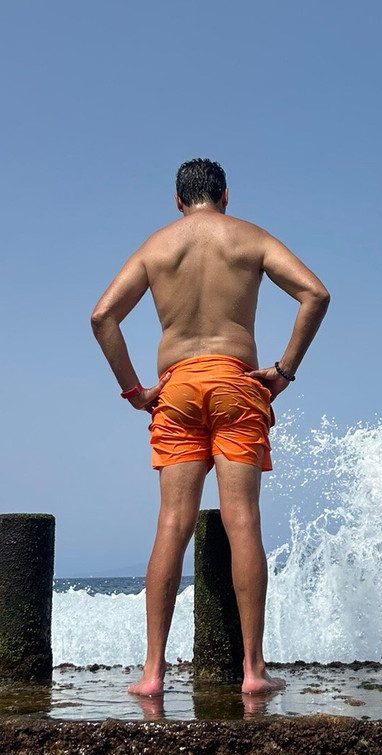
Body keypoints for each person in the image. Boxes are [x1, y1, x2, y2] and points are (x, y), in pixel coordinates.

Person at [91, 158, 330, 696]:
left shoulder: (157, 247)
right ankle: (252, 671)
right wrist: (285, 371)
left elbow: (102, 315)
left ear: (177, 201)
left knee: (172, 523)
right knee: (241, 519)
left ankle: (152, 675)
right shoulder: (250, 237)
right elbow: (316, 293)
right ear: (225, 194)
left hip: (174, 390)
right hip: (236, 383)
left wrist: (135, 391)